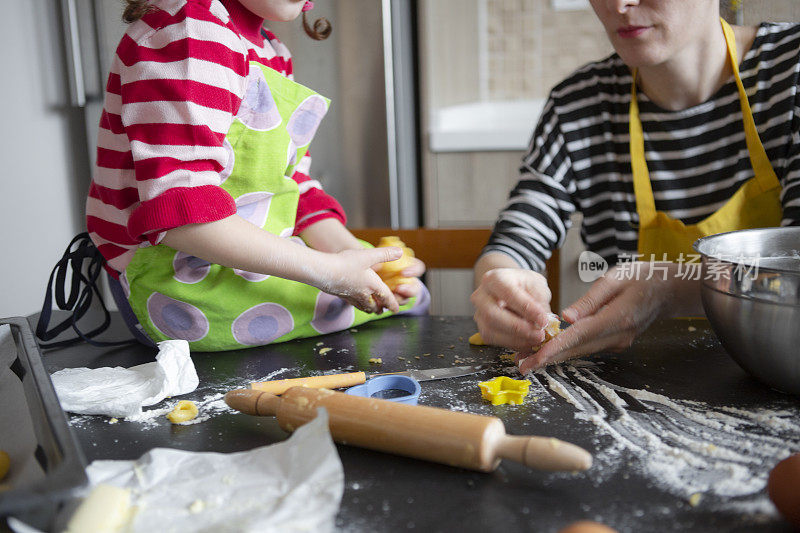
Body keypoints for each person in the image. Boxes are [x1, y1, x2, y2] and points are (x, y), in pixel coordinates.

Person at [49, 0, 426, 351]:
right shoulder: (190, 34)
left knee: (400, 289)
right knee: (408, 302)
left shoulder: (272, 52)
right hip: (178, 279)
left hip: (237, 261)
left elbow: (293, 186)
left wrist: (350, 256)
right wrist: (328, 271)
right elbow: (183, 216)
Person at [472, 0, 800, 373]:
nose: (619, 4)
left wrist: (668, 290)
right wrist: (502, 284)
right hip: (636, 382)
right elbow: (516, 237)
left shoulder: (791, 72)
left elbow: (795, 273)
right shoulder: (578, 104)